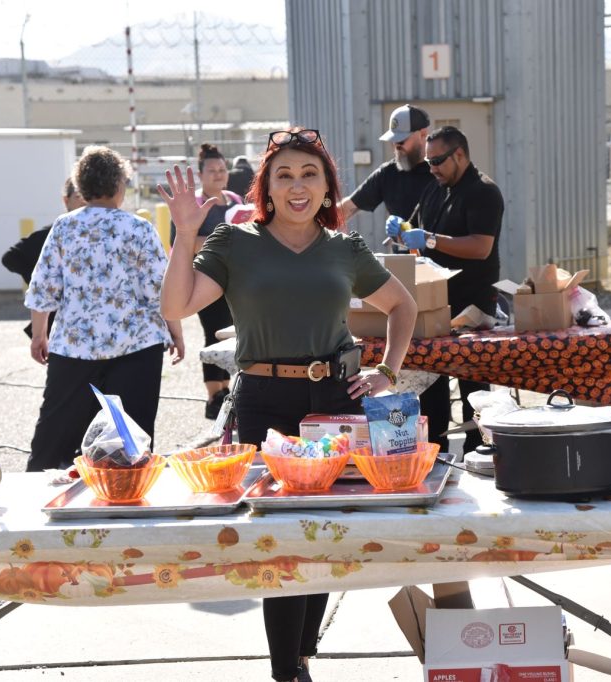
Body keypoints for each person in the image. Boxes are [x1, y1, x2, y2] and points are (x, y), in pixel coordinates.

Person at [159, 126, 417, 682]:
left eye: (309, 174)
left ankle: (301, 655)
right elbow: (176, 306)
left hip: (333, 400)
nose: (297, 186)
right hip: (264, 402)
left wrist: (386, 372)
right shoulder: (234, 242)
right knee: (280, 537)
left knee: (322, 531)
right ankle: (287, 671)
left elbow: (403, 306)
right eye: (284, 175)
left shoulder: (345, 248)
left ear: (327, 188)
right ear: (266, 188)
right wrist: (185, 234)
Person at [24, 146, 185, 472]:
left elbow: (43, 287)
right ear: (119, 185)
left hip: (74, 347)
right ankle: (127, 493)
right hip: (137, 346)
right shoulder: (139, 228)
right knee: (131, 441)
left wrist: (39, 335)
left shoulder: (64, 227)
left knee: (54, 437)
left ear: (81, 186)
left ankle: (41, 489)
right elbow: (161, 290)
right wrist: (176, 332)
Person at [388, 125, 505, 453]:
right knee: (431, 385)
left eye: (438, 161)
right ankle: (435, 453)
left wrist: (431, 240)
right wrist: (401, 230)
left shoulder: (484, 192)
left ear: (460, 154)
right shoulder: (434, 189)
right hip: (436, 306)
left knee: (473, 390)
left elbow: (481, 247)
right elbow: (416, 233)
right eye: (428, 162)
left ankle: (478, 452)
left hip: (472, 306)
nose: (432, 168)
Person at [170, 143, 245, 419]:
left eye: (222, 169)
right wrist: (222, 242)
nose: (218, 174)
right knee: (213, 333)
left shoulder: (236, 200)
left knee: (233, 334)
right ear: (200, 174)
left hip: (235, 281)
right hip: (205, 278)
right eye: (212, 170)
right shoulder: (193, 204)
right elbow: (182, 242)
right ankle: (214, 396)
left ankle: (229, 391)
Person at [1, 178, 86, 337]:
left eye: (88, 196)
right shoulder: (52, 233)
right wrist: (38, 277)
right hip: (60, 323)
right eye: (79, 196)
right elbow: (10, 258)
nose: (84, 201)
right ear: (66, 200)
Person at [338, 104, 434, 223]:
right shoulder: (388, 173)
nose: (396, 146)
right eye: (393, 140)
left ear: (423, 134)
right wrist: (319, 219)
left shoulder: (440, 170)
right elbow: (347, 208)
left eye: (401, 140)